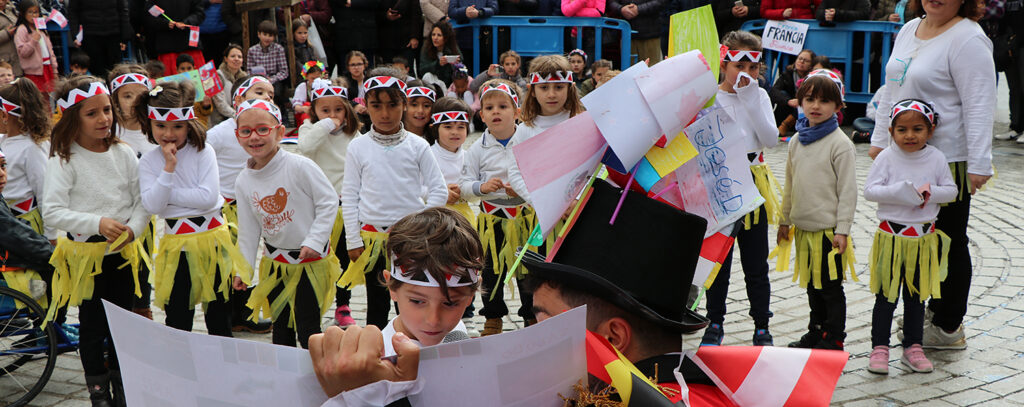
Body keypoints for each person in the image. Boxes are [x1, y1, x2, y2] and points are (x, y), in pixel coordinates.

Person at [869, 0, 995, 350]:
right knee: (918, 239)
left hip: (947, 158)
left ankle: (948, 325)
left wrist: (979, 163)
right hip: (905, 155)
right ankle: (928, 310)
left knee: (949, 241)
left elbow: (980, 101)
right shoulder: (910, 28)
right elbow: (892, 90)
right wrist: (880, 140)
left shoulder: (968, 38)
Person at [43, 75, 150, 407]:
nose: (104, 119)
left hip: (122, 254)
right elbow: (52, 212)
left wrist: (133, 229)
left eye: (107, 110)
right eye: (92, 113)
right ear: (73, 118)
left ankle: (123, 386)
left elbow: (141, 202)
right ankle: (99, 393)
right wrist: (97, 222)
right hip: (86, 257)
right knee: (91, 325)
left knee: (123, 324)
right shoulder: (64, 159)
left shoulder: (124, 153)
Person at [136, 80, 250, 336]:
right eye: (161, 126)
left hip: (213, 240)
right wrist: (168, 169)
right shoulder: (150, 162)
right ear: (149, 124)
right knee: (178, 316)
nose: (169, 133)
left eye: (177, 126)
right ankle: (183, 370)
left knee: (220, 315)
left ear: (188, 123)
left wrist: (167, 196)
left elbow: (208, 198)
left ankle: (224, 368)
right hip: (177, 245)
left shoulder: (203, 151)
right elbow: (153, 205)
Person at [337, 68, 448, 329]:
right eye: (376, 106)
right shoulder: (358, 147)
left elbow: (439, 190)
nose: (385, 114)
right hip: (372, 241)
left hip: (410, 241)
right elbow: (350, 195)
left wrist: (421, 229)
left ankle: (412, 349)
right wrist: (352, 239)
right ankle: (376, 354)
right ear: (365, 106)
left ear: (405, 104)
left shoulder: (417, 145)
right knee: (377, 302)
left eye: (393, 105)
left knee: (411, 301)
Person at [234, 98, 341, 348]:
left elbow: (328, 202)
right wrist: (244, 269)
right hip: (275, 265)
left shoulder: (300, 165)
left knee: (308, 327)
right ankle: (285, 379)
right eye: (246, 131)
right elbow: (249, 230)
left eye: (263, 129)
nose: (255, 137)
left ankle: (314, 374)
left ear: (280, 132)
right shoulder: (244, 180)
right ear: (237, 136)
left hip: (308, 262)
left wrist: (315, 240)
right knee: (280, 326)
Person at [864, 99, 957, 375]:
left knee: (916, 297)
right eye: (902, 129)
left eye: (918, 129)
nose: (910, 136)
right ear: (891, 131)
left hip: (922, 241)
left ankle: (913, 347)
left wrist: (931, 192)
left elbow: (950, 190)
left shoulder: (937, 158)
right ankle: (879, 348)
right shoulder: (886, 157)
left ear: (931, 130)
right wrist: (898, 191)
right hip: (891, 238)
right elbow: (870, 190)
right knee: (886, 296)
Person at [700, 31, 779, 347]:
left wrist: (750, 98)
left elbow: (771, 139)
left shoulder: (758, 96)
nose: (746, 73)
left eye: (754, 66)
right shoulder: (710, 97)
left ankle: (762, 324)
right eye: (739, 65)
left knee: (756, 262)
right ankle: (714, 322)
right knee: (718, 262)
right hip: (720, 184)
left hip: (752, 181)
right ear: (724, 63)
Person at [776, 71, 857, 350]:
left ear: (838, 106)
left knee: (830, 288)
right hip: (804, 229)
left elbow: (848, 192)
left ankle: (834, 337)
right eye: (809, 99)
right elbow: (790, 183)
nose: (815, 106)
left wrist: (843, 230)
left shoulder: (840, 145)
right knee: (813, 285)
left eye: (824, 101)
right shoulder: (797, 141)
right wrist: (784, 220)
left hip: (828, 232)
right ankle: (817, 330)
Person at [457, 79, 531, 336]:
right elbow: (464, 185)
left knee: (527, 269)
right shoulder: (476, 149)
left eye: (503, 106)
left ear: (518, 111)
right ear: (481, 115)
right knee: (490, 271)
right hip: (491, 219)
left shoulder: (528, 139)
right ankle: (492, 317)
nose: (496, 112)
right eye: (489, 108)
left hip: (524, 217)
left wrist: (523, 187)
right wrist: (482, 187)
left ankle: (531, 316)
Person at [205, 75, 275, 334]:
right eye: (259, 91)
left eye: (271, 94)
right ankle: (227, 318)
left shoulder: (267, 133)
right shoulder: (222, 133)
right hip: (225, 210)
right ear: (238, 100)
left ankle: (242, 314)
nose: (267, 96)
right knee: (227, 264)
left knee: (246, 262)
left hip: (251, 206)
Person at [296, 77, 361, 328]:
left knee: (344, 258)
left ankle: (343, 305)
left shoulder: (353, 133)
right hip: (319, 209)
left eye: (338, 110)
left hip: (346, 207)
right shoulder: (309, 131)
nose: (333, 116)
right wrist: (324, 125)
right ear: (314, 111)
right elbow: (305, 147)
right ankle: (313, 302)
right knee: (319, 257)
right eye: (325, 110)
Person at [380, 207, 483, 354]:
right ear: (392, 287)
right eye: (417, 301)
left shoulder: (456, 333)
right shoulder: (383, 358)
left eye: (450, 303)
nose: (433, 321)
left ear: (470, 296)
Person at [107, 64, 158, 320]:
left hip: (144, 212)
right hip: (114, 212)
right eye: (127, 96)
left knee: (143, 263)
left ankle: (142, 309)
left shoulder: (155, 131)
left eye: (140, 95)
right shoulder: (110, 131)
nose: (134, 101)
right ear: (114, 99)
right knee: (118, 268)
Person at [507, 55, 585, 203]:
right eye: (544, 87)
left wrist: (578, 199)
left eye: (559, 87)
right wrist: (540, 201)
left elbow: (595, 168)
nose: (551, 94)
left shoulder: (581, 124)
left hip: (578, 209)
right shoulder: (524, 131)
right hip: (541, 210)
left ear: (570, 88)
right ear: (533, 91)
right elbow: (515, 173)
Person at [0, 78, 53, 239]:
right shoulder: (2, 139)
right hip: (5, 222)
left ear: (4, 115)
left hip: (25, 225)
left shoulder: (32, 147)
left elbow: (45, 192)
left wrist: (51, 235)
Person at [67, 0, 132, 78]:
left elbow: (123, 11)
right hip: (90, 35)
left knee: (114, 70)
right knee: (96, 70)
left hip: (113, 35)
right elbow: (73, 12)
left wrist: (125, 37)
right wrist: (75, 35)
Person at [144, 0, 206, 77]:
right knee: (170, 83)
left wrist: (186, 23)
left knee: (198, 81)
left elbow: (199, 13)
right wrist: (165, 24)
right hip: (167, 46)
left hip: (190, 45)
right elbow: (150, 16)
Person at [14, 0, 57, 100]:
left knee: (48, 98)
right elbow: (23, 53)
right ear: (23, 13)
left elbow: (50, 51)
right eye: (30, 12)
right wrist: (33, 40)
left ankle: (48, 115)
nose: (34, 15)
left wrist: (55, 70)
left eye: (36, 12)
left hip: (47, 67)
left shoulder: (41, 28)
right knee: (36, 99)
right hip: (33, 72)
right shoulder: (22, 29)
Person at [769, 49, 814, 135]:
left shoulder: (813, 77)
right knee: (783, 94)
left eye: (806, 60)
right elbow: (773, 91)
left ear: (811, 65)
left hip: (804, 112)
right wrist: (788, 101)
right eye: (800, 58)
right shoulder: (788, 74)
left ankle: (785, 125)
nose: (801, 62)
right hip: (788, 109)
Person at [247, 20, 289, 110]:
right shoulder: (252, 50)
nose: (267, 38)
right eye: (265, 34)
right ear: (259, 34)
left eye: (270, 35)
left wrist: (272, 79)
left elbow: (284, 71)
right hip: (257, 80)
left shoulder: (278, 49)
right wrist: (259, 80)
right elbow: (249, 71)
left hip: (274, 79)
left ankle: (280, 113)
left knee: (276, 92)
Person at [609, 0, 666, 64]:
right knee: (629, 70)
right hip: (627, 35)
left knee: (651, 68)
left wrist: (638, 9)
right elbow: (611, 2)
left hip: (650, 33)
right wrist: (621, 9)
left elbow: (661, 2)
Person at [330, 0, 378, 71]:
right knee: (345, 71)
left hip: (365, 35)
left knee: (367, 70)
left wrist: (353, 3)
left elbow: (376, 2)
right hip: (345, 34)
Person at [448, 0, 497, 69]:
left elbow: (494, 8)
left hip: (484, 41)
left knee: (485, 72)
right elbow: (451, 11)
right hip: (463, 40)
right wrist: (465, 11)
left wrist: (480, 12)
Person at [377, 0, 423, 66]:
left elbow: (416, 16)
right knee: (388, 68)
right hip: (387, 39)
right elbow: (375, 11)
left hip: (406, 40)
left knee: (406, 67)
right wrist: (386, 15)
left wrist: (414, 37)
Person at [211, 44, 247, 126]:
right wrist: (239, 115)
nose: (236, 59)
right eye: (233, 56)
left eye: (239, 57)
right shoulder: (217, 75)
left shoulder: (245, 77)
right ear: (226, 59)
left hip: (240, 118)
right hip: (220, 121)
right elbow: (220, 104)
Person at [176, 54, 215, 127]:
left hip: (199, 125)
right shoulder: (174, 87)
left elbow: (207, 112)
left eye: (189, 68)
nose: (186, 71)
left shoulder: (201, 86)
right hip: (181, 124)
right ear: (177, 70)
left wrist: (206, 106)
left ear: (194, 68)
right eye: (182, 69)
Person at [420, 21, 463, 87]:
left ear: (446, 38)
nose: (435, 38)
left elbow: (461, 65)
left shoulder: (452, 48)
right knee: (427, 76)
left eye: (439, 35)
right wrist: (438, 64)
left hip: (449, 84)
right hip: (433, 81)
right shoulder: (427, 48)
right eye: (433, 35)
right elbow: (422, 69)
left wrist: (455, 65)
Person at [198, 0, 231, 66]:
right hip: (203, 33)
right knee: (206, 64)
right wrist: (210, 1)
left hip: (222, 32)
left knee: (222, 62)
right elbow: (193, 4)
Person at [293, 60, 325, 127]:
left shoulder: (324, 86)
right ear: (306, 77)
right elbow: (296, 107)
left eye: (318, 78)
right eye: (312, 78)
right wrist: (304, 108)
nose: (315, 81)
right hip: (307, 114)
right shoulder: (302, 87)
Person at [0, 0, 21, 78]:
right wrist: (6, 33)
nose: (1, 2)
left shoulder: (12, 9)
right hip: (3, 64)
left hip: (17, 61)